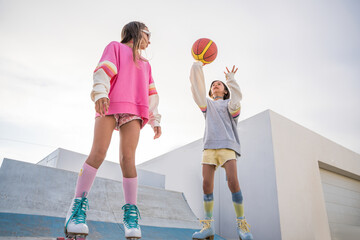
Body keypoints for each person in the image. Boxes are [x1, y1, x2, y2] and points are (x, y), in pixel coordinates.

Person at [64, 21, 161, 240]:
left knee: (128, 159)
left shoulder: (146, 64)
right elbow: (103, 71)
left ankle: (131, 216)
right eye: (148, 34)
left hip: (134, 110)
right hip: (110, 103)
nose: (150, 40)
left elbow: (151, 93)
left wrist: (155, 120)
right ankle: (76, 210)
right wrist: (100, 93)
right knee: (98, 152)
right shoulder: (116, 48)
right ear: (136, 33)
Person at [190, 62, 253, 240]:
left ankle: (242, 225)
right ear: (210, 92)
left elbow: (237, 98)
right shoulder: (207, 105)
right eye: (212, 85)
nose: (215, 85)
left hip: (227, 146)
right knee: (206, 185)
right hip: (209, 147)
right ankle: (208, 227)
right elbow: (196, 89)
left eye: (219, 84)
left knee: (233, 182)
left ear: (225, 91)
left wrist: (231, 80)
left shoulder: (230, 105)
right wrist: (197, 67)